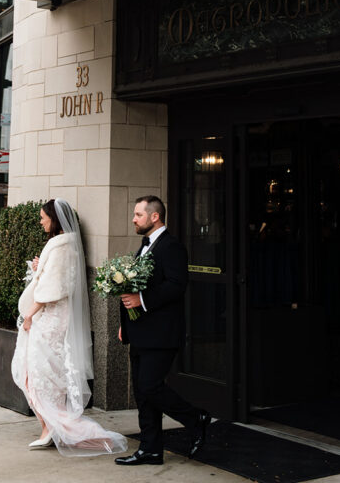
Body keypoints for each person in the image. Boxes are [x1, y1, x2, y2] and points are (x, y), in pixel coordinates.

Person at [11, 198, 128, 457]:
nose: (41, 221)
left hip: (49, 317)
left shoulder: (60, 246)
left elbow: (52, 289)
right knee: (40, 373)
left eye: (43, 217)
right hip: (53, 316)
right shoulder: (66, 247)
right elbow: (54, 279)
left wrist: (29, 315)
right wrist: (38, 267)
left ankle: (53, 428)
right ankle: (49, 426)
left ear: (54, 219)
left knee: (40, 374)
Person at [115, 195, 210, 466]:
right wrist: (125, 323)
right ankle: (150, 449)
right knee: (142, 393)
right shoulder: (144, 246)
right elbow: (134, 288)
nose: (133, 219)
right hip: (139, 330)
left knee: (150, 386)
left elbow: (177, 285)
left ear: (154, 216)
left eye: (138, 215)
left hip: (162, 332)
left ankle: (195, 418)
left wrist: (142, 301)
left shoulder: (172, 247)